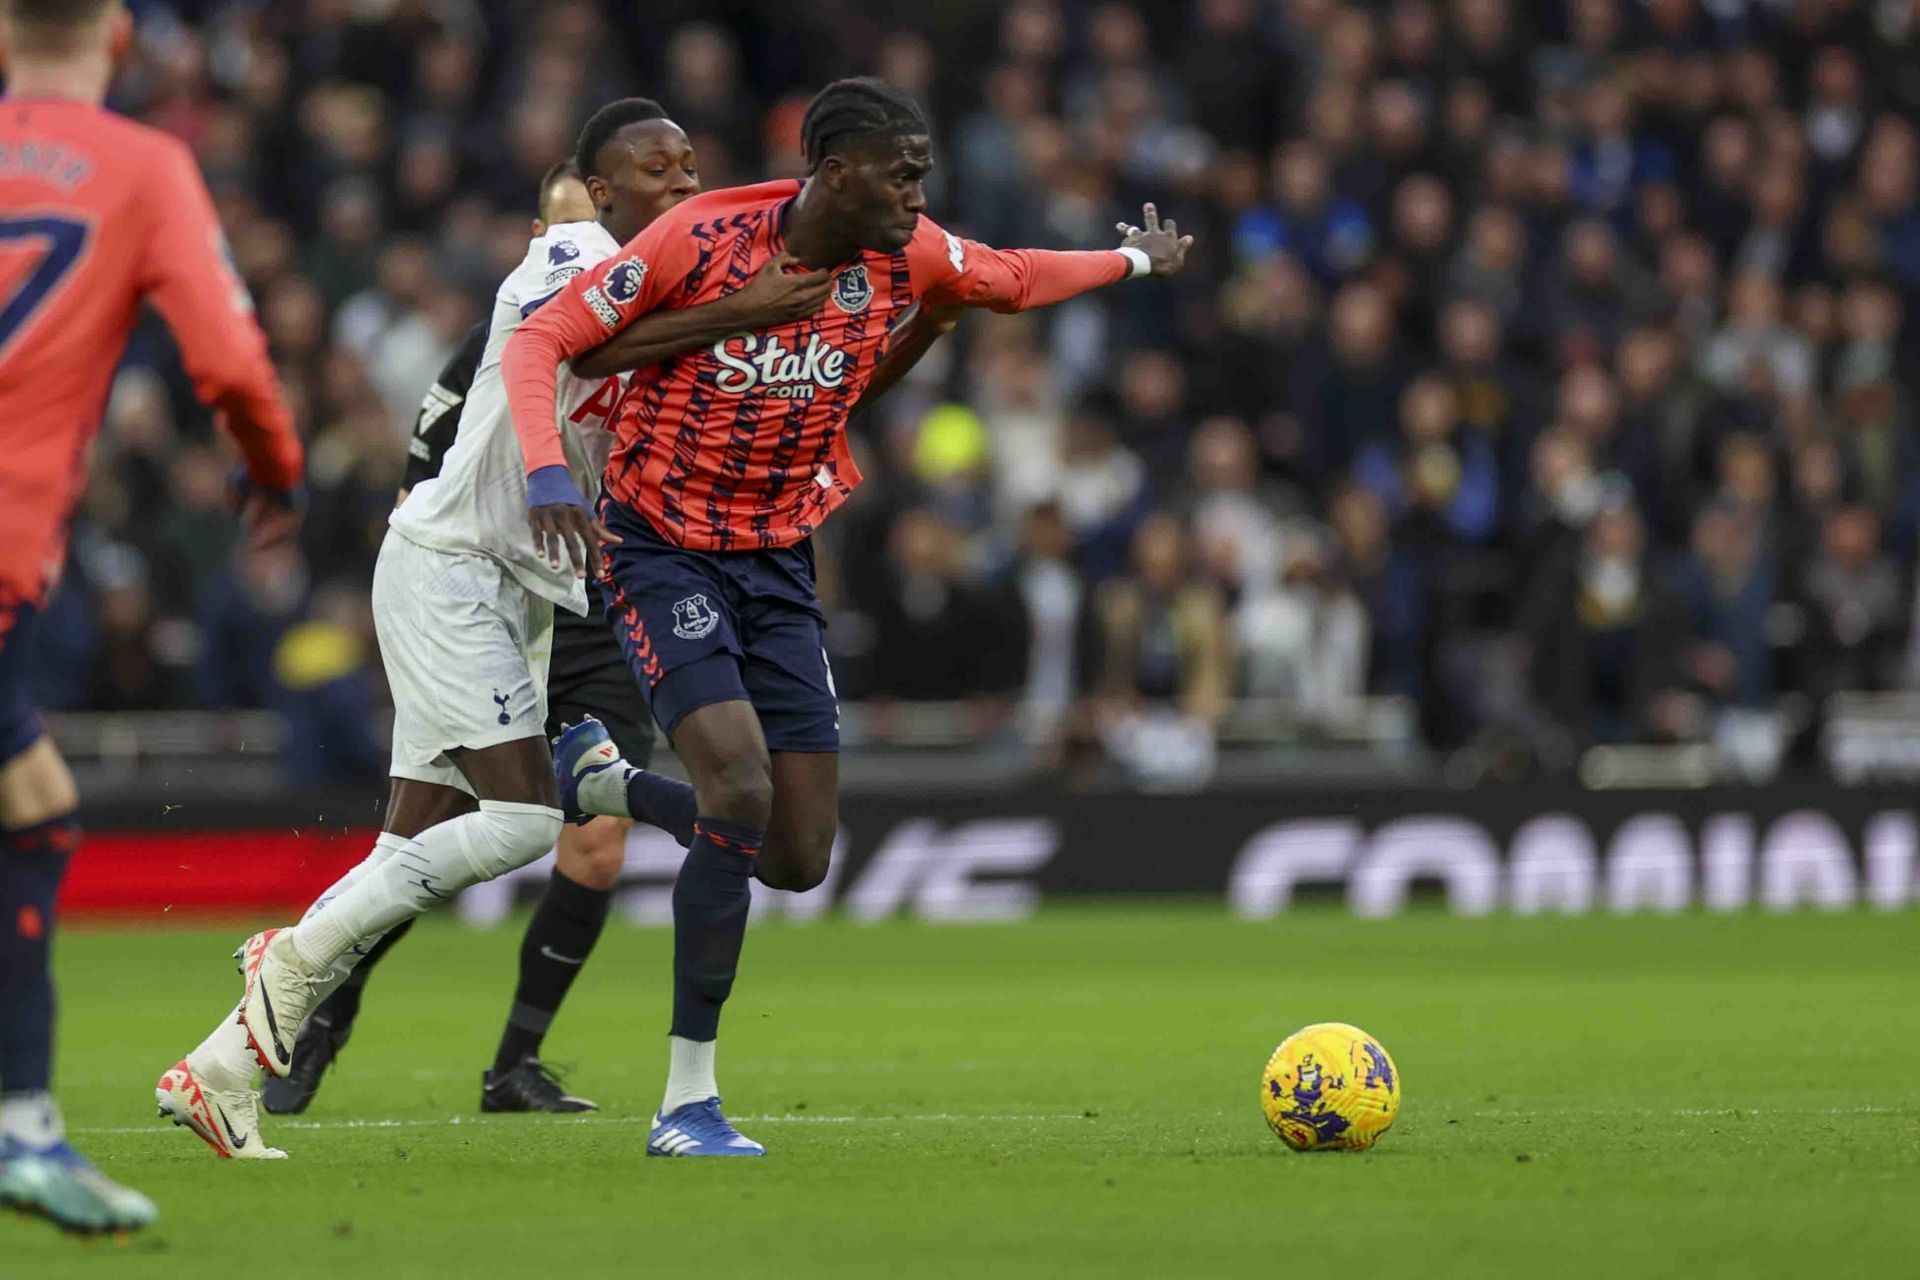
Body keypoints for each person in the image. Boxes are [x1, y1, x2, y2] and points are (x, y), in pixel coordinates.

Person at [156, 97, 954, 1159]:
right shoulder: (567, 260)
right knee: (528, 823)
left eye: (688, 169)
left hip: (523, 584)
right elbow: (565, 336)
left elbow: (802, 373)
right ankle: (292, 955)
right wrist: (747, 306)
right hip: (460, 569)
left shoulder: (686, 268)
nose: (681, 189)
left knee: (409, 843)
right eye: (653, 173)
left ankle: (220, 1069)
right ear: (592, 193)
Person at [504, 76, 1190, 1157]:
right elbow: (543, 342)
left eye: (923, 169)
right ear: (835, 173)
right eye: (902, 169)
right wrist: (550, 474)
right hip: (660, 543)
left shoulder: (904, 256)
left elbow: (1013, 276)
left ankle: (614, 786)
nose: (921, 188)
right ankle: (688, 1100)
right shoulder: (699, 236)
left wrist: (1137, 260)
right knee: (734, 783)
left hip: (780, 560)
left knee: (796, 854)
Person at [0, 0, 304, 1233]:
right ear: (120, 40)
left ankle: (24, 1125)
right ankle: (21, 1128)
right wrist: (272, 469)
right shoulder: (142, 167)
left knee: (34, 805)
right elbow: (231, 363)